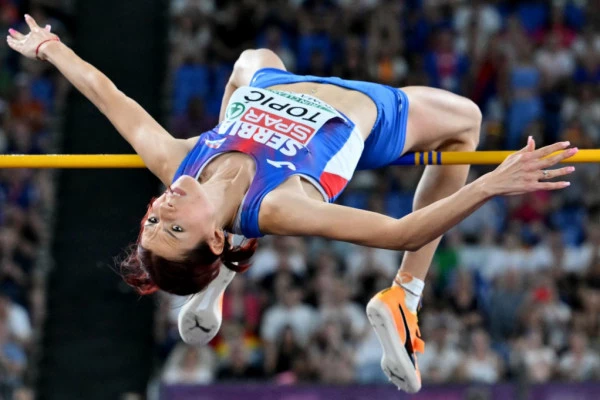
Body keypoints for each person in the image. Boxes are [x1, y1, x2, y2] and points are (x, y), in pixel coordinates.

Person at [6, 15, 578, 393]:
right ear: (210, 237)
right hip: (365, 113)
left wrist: (50, 47)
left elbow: (107, 94)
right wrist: (490, 184)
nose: (163, 209)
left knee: (251, 57)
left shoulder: (175, 161)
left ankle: (222, 276)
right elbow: (400, 231)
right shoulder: (278, 206)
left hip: (274, 88)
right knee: (467, 122)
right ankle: (404, 296)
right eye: (173, 229)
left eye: (152, 219)